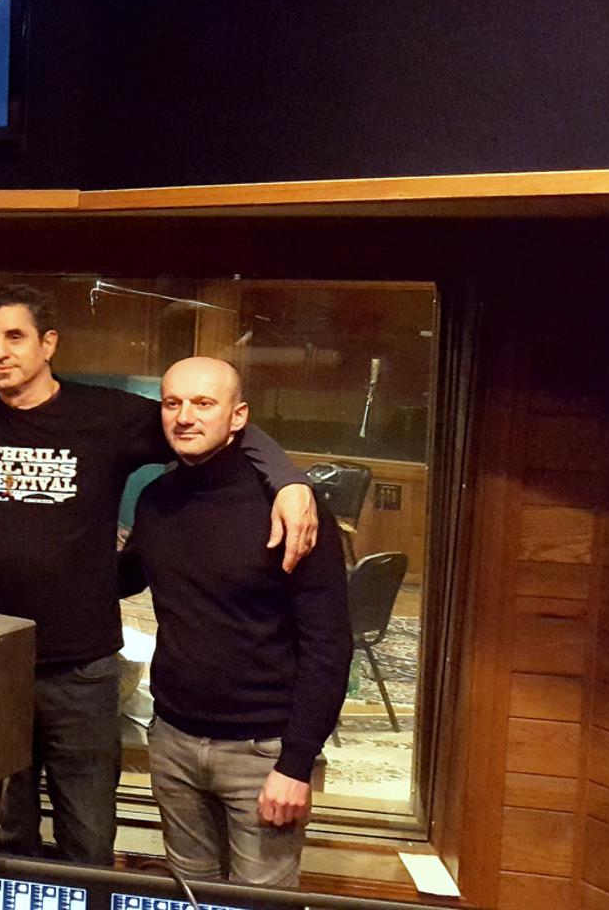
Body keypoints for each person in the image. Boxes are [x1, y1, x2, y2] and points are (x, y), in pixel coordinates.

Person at [0, 284, 320, 865]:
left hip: (80, 669)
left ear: (49, 343)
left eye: (15, 337)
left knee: (88, 834)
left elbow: (209, 424)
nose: (0, 352)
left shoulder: (105, 415)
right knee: (3, 833)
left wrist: (289, 479)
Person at [119, 357, 350, 888]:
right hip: (173, 743)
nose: (185, 417)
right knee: (189, 898)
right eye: (173, 403)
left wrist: (296, 763)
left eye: (204, 403)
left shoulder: (291, 511)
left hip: (262, 754)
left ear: (238, 416)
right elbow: (123, 577)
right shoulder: (157, 502)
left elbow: (329, 646)